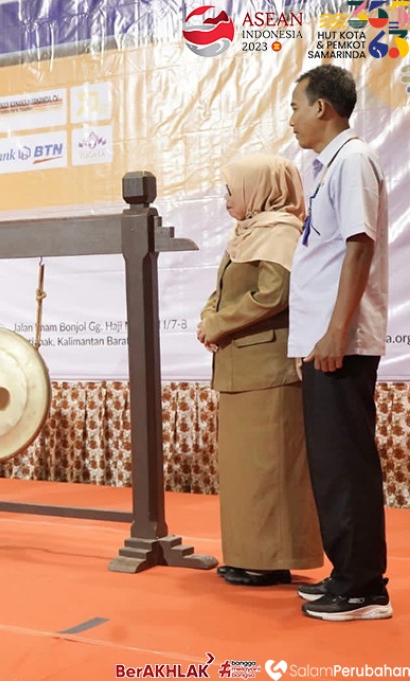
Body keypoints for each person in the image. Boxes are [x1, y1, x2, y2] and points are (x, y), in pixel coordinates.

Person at [287, 64, 391, 621]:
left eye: (297, 107)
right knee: (333, 464)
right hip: (322, 340)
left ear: (323, 108)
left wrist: (334, 330)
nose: (292, 119)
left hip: (341, 341)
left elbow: (358, 247)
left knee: (345, 464)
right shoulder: (324, 166)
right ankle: (348, 574)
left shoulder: (352, 160)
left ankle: (362, 589)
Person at [197, 155, 322, 587]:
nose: (227, 199)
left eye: (232, 190)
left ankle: (273, 560)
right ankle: (250, 554)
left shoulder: (280, 232)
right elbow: (223, 293)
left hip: (268, 372)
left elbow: (274, 294)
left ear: (258, 189)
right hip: (239, 369)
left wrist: (218, 322)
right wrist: (208, 315)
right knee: (244, 471)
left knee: (271, 470)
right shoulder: (247, 233)